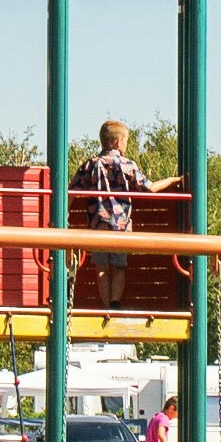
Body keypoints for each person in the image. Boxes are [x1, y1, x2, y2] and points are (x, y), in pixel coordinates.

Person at [68, 120, 173, 310]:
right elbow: (149, 188)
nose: (126, 145)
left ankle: (106, 305)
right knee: (119, 266)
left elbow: (71, 191)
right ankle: (115, 303)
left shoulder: (91, 165)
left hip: (97, 225)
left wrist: (63, 215)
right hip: (120, 226)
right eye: (126, 141)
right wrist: (173, 179)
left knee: (101, 268)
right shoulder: (127, 165)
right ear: (118, 142)